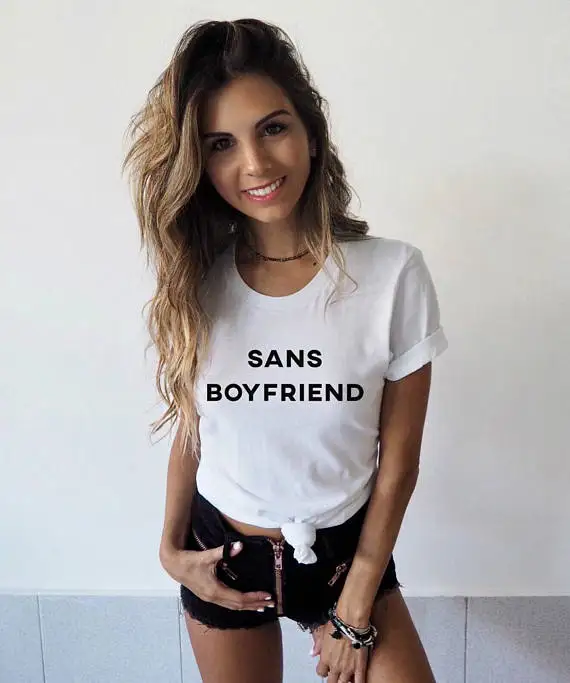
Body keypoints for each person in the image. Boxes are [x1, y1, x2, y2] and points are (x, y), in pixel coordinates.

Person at [122, 17, 448, 683]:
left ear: (310, 132)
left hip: (345, 560)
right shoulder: (194, 281)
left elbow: (400, 459)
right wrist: (170, 548)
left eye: (272, 128)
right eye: (221, 144)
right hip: (223, 555)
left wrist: (355, 604)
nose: (256, 164)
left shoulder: (392, 276)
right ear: (199, 162)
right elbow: (194, 424)